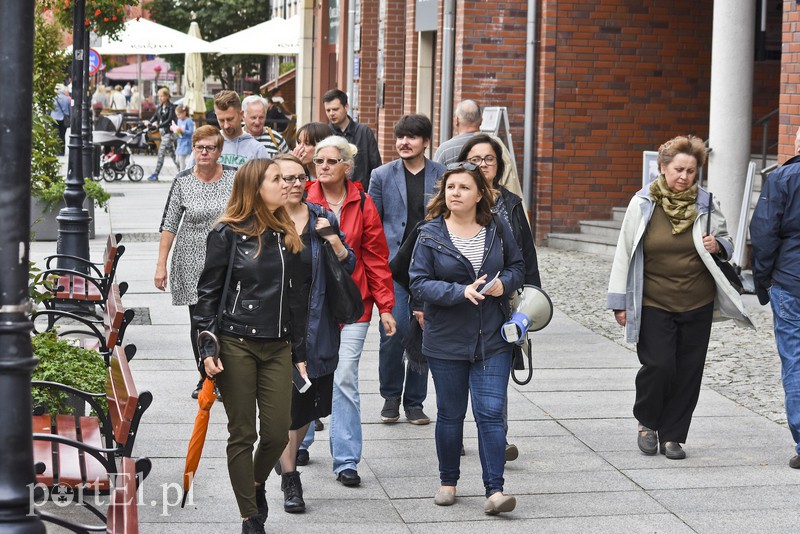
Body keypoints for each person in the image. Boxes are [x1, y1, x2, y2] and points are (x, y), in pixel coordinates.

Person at [606, 135, 754, 460]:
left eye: (691, 171)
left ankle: (673, 434)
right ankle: (647, 422)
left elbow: (729, 242)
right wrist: (619, 301)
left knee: (688, 369)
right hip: (654, 301)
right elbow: (624, 253)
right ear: (662, 167)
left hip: (696, 302)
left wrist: (719, 245)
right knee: (658, 365)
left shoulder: (706, 203)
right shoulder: (643, 203)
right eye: (678, 169)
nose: (684, 176)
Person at [194, 158, 304, 534]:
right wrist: (207, 350)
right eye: (277, 179)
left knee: (276, 432)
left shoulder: (285, 230)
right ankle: (249, 515)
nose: (286, 183)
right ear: (255, 188)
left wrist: (300, 353)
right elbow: (206, 297)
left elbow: (296, 299)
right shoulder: (226, 232)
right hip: (236, 342)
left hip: (278, 346)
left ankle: (255, 483)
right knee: (243, 432)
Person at [408, 163, 524, 514]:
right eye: (450, 187)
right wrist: (458, 291)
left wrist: (506, 282)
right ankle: (448, 482)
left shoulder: (498, 228)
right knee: (450, 414)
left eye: (463, 187)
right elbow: (417, 282)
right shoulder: (429, 233)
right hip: (446, 337)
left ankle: (495, 492)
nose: (455, 192)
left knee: (490, 413)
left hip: (492, 336)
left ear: (479, 195)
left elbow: (518, 266)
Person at [305, 136, 396, 487]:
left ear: (346, 166)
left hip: (354, 305)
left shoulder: (364, 203)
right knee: (310, 372)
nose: (323, 167)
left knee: (344, 377)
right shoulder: (303, 197)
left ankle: (345, 459)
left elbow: (375, 258)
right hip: (312, 307)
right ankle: (303, 438)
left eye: (330, 161)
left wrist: (386, 307)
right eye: (318, 161)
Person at [274, 154, 356, 512]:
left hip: (315, 325)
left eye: (298, 178)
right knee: (284, 407)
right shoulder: (263, 220)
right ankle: (291, 479)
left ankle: (286, 454)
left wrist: (332, 239)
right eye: (284, 178)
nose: (292, 184)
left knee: (305, 406)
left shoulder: (322, 218)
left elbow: (348, 262)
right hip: (275, 327)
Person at [457, 133, 542, 461]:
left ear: (498, 166)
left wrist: (532, 300)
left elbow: (526, 254)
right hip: (459, 300)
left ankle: (496, 435)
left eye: (488, 160)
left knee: (496, 367)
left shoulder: (511, 203)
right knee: (459, 369)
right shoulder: (451, 200)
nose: (481, 165)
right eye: (474, 160)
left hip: (501, 300)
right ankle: (457, 428)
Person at [368, 114, 445, 425]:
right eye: (400, 137)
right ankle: (390, 396)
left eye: (412, 137)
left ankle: (415, 402)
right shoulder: (381, 175)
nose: (404, 142)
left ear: (425, 142)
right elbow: (372, 223)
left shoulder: (442, 175)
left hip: (431, 267)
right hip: (394, 268)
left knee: (423, 331)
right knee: (395, 329)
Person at [155, 125, 236, 398]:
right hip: (191, 260)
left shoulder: (234, 179)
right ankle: (204, 376)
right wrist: (160, 264)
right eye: (199, 147)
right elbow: (169, 223)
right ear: (193, 149)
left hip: (228, 260)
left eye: (210, 147)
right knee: (200, 322)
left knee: (225, 319)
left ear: (219, 151)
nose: (204, 152)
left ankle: (226, 377)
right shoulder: (183, 181)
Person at [750, 132, 800, 470]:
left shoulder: (781, 178)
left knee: (795, 361)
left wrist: (762, 281)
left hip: (790, 282)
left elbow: (764, 233)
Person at [187, 90, 268, 169]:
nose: (226, 126)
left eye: (230, 119)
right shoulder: (205, 146)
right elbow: (185, 178)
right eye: (221, 120)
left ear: (241, 115)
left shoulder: (257, 150)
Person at [323, 89, 382, 189]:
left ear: (346, 107)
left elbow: (376, 166)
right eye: (328, 110)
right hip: (332, 194)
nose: (331, 113)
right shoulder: (325, 134)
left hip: (361, 194)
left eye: (335, 109)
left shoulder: (364, 132)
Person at [432, 99, 482, 166]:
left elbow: (434, 175)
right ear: (481, 120)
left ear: (457, 120)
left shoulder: (445, 149)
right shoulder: (494, 144)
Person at [147, 87, 179, 181]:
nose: (160, 98)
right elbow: (155, 117)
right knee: (173, 155)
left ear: (166, 96)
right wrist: (149, 122)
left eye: (162, 96)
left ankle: (155, 174)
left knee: (161, 153)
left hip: (169, 133)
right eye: (159, 96)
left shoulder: (171, 107)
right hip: (163, 133)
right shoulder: (160, 107)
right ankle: (183, 172)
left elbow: (169, 120)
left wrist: (158, 126)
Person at [173, 105, 196, 171]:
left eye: (179, 114)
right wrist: (175, 129)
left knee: (181, 159)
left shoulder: (189, 121)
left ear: (184, 113)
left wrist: (182, 130)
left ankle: (182, 175)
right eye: (177, 115)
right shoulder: (179, 120)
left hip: (186, 142)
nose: (178, 116)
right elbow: (178, 130)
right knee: (177, 160)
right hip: (179, 142)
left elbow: (191, 132)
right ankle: (187, 170)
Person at [50, 84, 71, 155]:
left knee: (56, 135)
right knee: (62, 135)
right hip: (63, 119)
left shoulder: (53, 98)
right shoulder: (67, 98)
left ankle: (56, 151)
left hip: (54, 118)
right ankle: (62, 151)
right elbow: (69, 110)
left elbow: (50, 109)